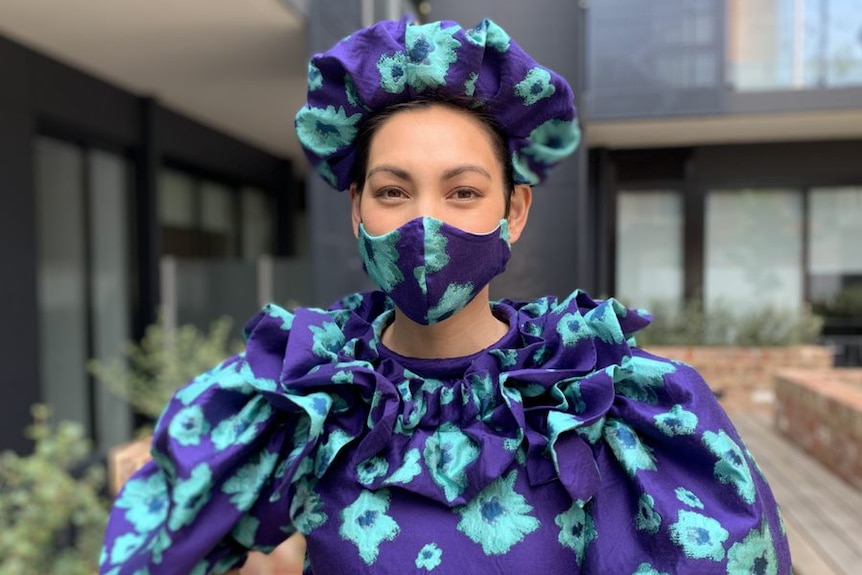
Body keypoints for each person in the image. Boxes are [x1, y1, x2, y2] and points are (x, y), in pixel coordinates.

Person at [99, 17, 791, 575]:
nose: (425, 226)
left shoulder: (616, 401)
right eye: (393, 191)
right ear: (356, 211)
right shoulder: (297, 397)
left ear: (514, 210)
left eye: (463, 192)